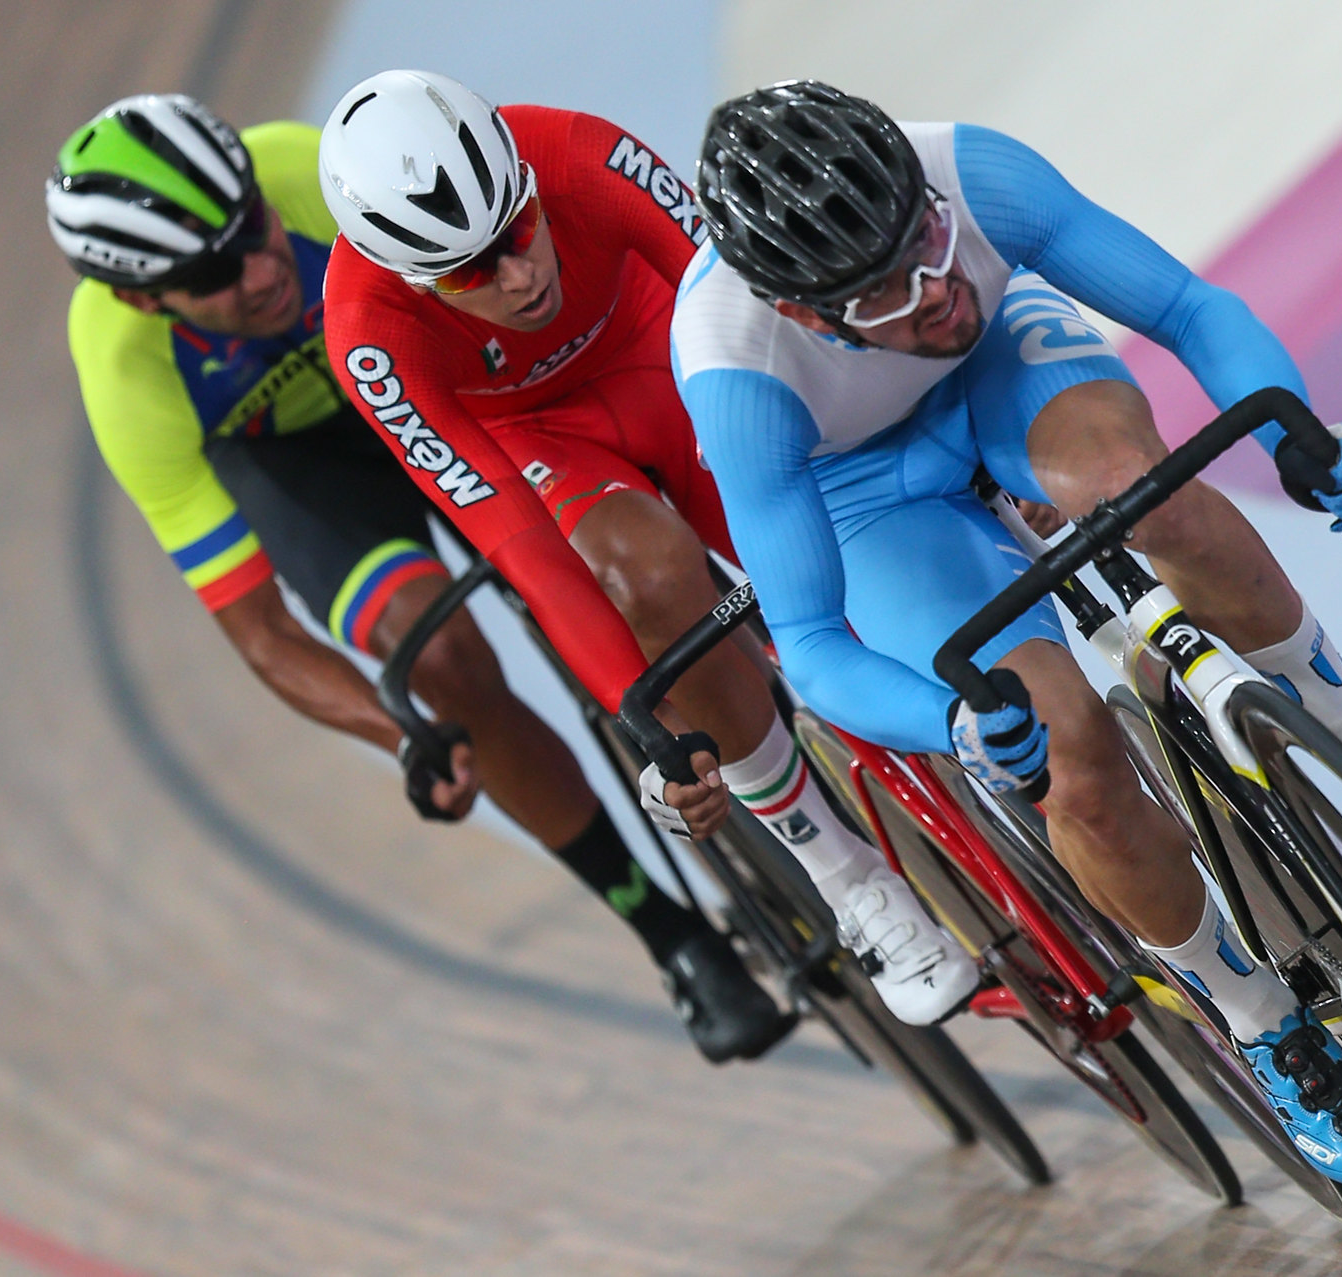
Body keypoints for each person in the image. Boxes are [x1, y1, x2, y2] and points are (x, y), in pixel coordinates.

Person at [676, 81, 1342, 1187]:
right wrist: (957, 722)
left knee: (1147, 493)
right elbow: (813, 644)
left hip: (1002, 375)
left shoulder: (972, 174)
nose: (931, 291)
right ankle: (1261, 1019)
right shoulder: (737, 373)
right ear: (805, 314)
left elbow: (1188, 309)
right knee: (1065, 753)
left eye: (924, 243)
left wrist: (1294, 432)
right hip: (864, 490)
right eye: (882, 291)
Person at [45, 93, 788, 1063]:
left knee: (599, 546)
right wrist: (400, 732)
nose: (264, 270)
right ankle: (675, 936)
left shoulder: (305, 169)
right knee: (436, 655)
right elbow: (262, 633)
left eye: (257, 227)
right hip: (308, 471)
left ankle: (757, 682)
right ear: (144, 300)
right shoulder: (126, 378)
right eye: (217, 273)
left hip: (431, 384)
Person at [317, 70, 979, 1025]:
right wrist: (649, 726)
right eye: (470, 272)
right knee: (647, 576)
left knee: (823, 512)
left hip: (667, 350)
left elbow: (758, 302)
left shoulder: (577, 150)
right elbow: (522, 548)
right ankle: (844, 876)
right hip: (546, 440)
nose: (519, 275)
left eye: (517, 230)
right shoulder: (370, 337)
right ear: (418, 281)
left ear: (523, 179)